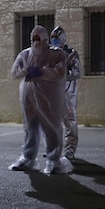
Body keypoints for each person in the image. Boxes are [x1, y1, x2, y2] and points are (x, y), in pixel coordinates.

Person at [8, 25, 73, 175]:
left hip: (48, 99)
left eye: (39, 39)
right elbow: (14, 71)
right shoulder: (25, 54)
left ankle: (54, 159)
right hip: (28, 98)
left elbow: (60, 72)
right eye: (34, 39)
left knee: (51, 127)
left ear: (45, 39)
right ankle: (27, 157)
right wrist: (26, 70)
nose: (36, 42)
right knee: (30, 128)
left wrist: (41, 71)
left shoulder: (56, 54)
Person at [50, 26, 81, 160]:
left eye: (57, 38)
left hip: (68, 94)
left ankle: (69, 151)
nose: (54, 41)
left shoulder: (71, 53)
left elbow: (76, 72)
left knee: (70, 122)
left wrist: (61, 74)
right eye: (53, 38)